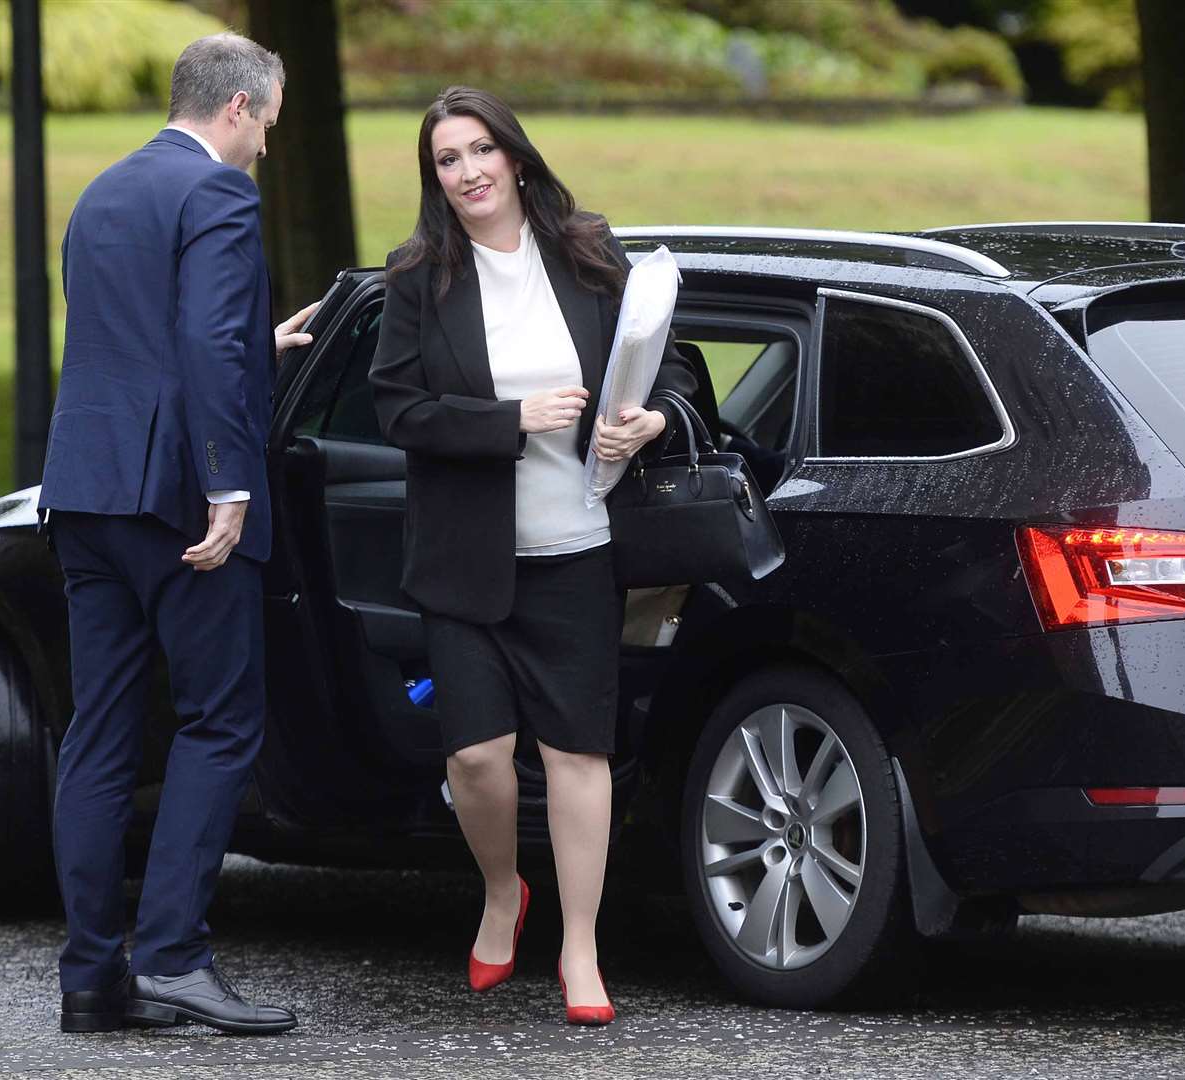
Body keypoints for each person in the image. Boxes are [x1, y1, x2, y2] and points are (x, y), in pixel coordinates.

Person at [369, 86, 697, 1026]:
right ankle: (504, 889)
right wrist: (509, 420)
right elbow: (398, 411)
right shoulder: (417, 277)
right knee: (476, 756)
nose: (467, 172)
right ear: (433, 176)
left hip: (577, 548)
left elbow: (671, 365)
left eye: (480, 151)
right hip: (465, 561)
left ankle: (580, 948)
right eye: (446, 159)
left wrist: (650, 419)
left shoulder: (588, 252)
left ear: (514, 157)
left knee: (575, 756)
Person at [38, 32, 315, 1036]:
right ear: (237, 108)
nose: (268, 153)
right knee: (219, 721)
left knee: (100, 732)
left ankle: (89, 980)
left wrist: (260, 344)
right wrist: (228, 484)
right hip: (178, 505)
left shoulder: (104, 192)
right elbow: (197, 343)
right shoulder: (219, 195)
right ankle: (171, 960)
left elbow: (137, 341)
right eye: (269, 127)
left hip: (85, 492)